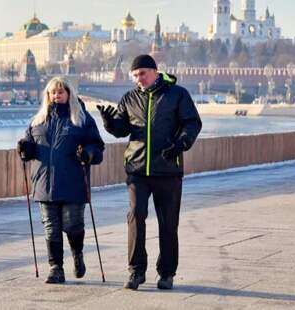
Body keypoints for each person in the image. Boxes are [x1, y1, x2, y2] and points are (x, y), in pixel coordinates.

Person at [97, 55, 202, 290]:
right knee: (136, 215)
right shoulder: (130, 98)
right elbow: (122, 130)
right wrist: (109, 123)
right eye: (134, 75)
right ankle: (136, 271)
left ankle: (166, 273)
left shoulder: (177, 94)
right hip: (137, 170)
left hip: (167, 169)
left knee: (168, 223)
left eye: (142, 74)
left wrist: (180, 144)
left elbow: (192, 123)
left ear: (155, 71)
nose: (139, 79)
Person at [17, 76, 105, 284]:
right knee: (51, 228)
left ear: (69, 94)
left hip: (73, 182)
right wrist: (24, 150)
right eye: (52, 92)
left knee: (72, 225)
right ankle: (56, 267)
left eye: (60, 92)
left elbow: (97, 148)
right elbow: (29, 146)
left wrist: (88, 154)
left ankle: (77, 254)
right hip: (43, 183)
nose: (56, 96)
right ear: (47, 95)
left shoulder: (81, 120)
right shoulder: (38, 121)